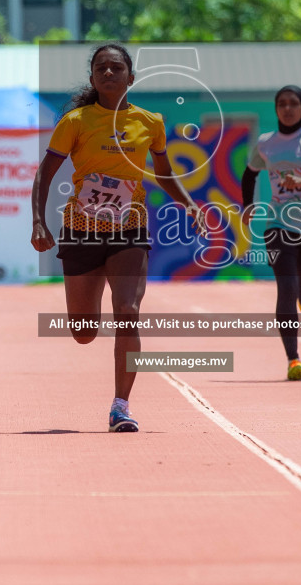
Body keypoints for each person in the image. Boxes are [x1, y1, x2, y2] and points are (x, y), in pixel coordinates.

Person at [30, 44, 200, 432]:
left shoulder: (150, 122)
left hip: (130, 228)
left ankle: (120, 406)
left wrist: (190, 205)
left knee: (128, 311)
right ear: (92, 79)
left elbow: (164, 173)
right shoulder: (75, 121)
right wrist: (39, 221)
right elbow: (46, 173)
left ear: (131, 78)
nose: (108, 73)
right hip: (81, 230)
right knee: (83, 332)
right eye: (101, 69)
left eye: (116, 68)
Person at [241, 85, 301, 380]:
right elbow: (250, 173)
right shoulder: (266, 143)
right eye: (281, 103)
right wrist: (248, 205)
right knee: (286, 289)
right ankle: (293, 358)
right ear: (276, 109)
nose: (287, 108)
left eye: (293, 103)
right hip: (278, 227)